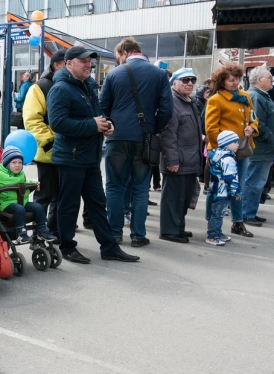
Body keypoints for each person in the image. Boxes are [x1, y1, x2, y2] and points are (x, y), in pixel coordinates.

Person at [48, 46, 139, 264]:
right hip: (70, 157)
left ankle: (109, 247)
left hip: (89, 156)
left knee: (98, 203)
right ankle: (67, 247)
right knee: (69, 205)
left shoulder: (87, 86)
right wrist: (92, 125)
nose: (88, 64)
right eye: (83, 61)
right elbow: (57, 123)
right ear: (69, 64)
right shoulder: (61, 88)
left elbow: (97, 115)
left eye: (90, 61)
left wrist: (107, 124)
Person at [99, 37, 173, 248]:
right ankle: (138, 235)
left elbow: (102, 106)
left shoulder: (113, 74)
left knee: (114, 186)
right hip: (144, 138)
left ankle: (114, 233)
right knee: (141, 188)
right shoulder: (159, 74)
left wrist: (110, 125)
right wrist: (152, 128)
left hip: (117, 138)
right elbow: (167, 110)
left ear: (124, 53)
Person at [204, 62, 259, 238]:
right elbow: (211, 129)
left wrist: (252, 128)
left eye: (237, 79)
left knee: (239, 187)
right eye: (230, 80)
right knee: (218, 187)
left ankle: (237, 222)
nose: (235, 83)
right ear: (222, 82)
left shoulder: (245, 96)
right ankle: (212, 221)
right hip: (223, 152)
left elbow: (253, 118)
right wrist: (226, 145)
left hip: (243, 149)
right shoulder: (216, 100)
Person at [23, 49, 72, 239]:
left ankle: (54, 231)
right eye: (66, 63)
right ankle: (39, 232)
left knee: (62, 196)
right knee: (45, 195)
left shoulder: (75, 85)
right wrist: (52, 140)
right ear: (57, 65)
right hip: (49, 152)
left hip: (69, 152)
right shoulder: (40, 87)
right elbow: (32, 121)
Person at [158, 68, 203, 243]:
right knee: (173, 198)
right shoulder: (172, 103)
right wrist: (172, 160)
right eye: (185, 80)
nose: (190, 83)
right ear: (174, 82)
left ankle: (178, 227)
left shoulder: (188, 101)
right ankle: (169, 231)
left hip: (190, 160)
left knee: (183, 198)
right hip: (179, 161)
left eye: (192, 79)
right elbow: (168, 136)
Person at [0, 146, 56, 245]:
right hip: (5, 204)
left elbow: (25, 181)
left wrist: (34, 183)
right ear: (6, 163)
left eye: (20, 163)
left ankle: (42, 230)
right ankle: (21, 233)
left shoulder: (21, 174)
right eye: (14, 162)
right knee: (19, 209)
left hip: (21, 202)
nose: (17, 165)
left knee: (38, 207)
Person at [243, 66, 274, 226]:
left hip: (264, 149)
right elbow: (259, 124)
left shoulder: (262, 96)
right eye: (270, 78)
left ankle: (250, 211)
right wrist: (273, 140)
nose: (272, 80)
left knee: (257, 182)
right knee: (253, 182)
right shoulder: (256, 97)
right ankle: (246, 214)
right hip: (260, 150)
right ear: (259, 80)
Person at [207, 131, 241, 246]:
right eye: (235, 142)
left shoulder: (216, 155)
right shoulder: (228, 159)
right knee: (218, 214)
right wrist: (236, 192)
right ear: (226, 144)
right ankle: (213, 236)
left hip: (215, 189)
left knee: (217, 213)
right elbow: (231, 177)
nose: (238, 145)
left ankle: (217, 233)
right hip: (223, 191)